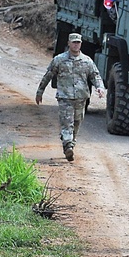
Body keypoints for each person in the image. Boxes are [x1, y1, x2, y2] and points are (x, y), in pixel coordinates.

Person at [35, 33, 105, 161]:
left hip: (81, 98)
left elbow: (95, 76)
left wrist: (99, 87)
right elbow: (48, 75)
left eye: (78, 42)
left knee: (77, 122)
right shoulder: (59, 60)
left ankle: (70, 143)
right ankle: (68, 145)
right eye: (73, 42)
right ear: (68, 43)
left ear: (81, 44)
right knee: (67, 122)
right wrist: (40, 92)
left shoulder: (87, 61)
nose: (76, 44)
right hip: (65, 97)